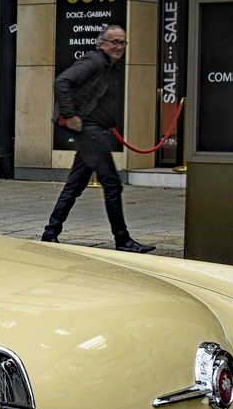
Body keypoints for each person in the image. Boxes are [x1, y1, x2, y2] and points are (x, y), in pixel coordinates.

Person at [40, 25, 155, 252]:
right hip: (89, 131)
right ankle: (122, 241)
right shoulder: (93, 62)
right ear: (102, 43)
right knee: (112, 183)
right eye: (114, 42)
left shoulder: (110, 67)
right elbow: (62, 82)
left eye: (122, 42)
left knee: (74, 186)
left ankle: (50, 233)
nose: (119, 47)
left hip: (95, 131)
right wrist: (71, 115)